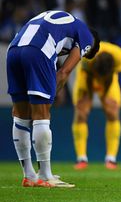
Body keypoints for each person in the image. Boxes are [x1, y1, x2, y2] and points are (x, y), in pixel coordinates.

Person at [8, 10, 100, 188]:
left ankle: (29, 175)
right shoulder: (88, 37)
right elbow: (64, 72)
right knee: (41, 115)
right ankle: (45, 175)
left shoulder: (67, 23)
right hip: (38, 51)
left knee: (20, 115)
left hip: (14, 49)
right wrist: (50, 97)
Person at [72, 41, 121, 170]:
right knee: (82, 112)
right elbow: (89, 78)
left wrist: (105, 95)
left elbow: (111, 76)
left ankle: (111, 159)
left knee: (112, 111)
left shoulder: (119, 55)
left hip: (109, 77)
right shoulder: (87, 56)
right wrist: (88, 98)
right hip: (86, 75)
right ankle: (81, 158)